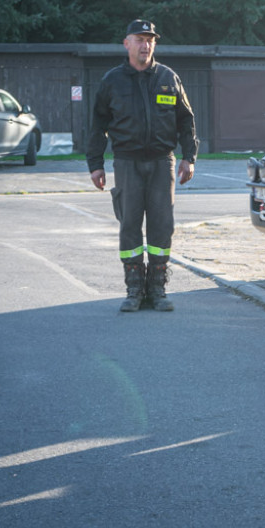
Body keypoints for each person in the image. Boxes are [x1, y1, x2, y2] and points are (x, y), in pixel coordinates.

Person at [88, 19, 198, 312]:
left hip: (163, 163)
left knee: (162, 227)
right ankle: (134, 289)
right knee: (130, 227)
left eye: (150, 40)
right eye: (139, 39)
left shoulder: (168, 77)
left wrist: (189, 157)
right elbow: (97, 125)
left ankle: (158, 289)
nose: (145, 44)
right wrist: (95, 164)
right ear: (127, 44)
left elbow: (186, 120)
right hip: (127, 163)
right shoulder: (112, 81)